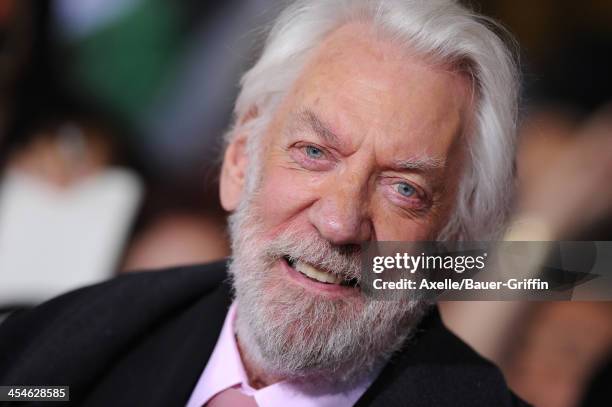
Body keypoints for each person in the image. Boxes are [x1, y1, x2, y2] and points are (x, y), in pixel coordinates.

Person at [0, 0, 537, 405]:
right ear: (239, 162)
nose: (339, 221)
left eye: (404, 189)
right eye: (313, 152)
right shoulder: (56, 354)